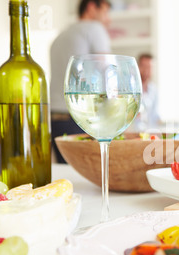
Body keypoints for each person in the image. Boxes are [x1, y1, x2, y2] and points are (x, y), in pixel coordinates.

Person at [49, 0, 112, 163]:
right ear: (91, 7)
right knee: (90, 173)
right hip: (80, 117)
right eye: (105, 12)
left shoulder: (59, 37)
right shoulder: (94, 29)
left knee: (66, 175)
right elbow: (108, 71)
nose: (108, 19)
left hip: (54, 117)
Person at [136, 53, 160, 130]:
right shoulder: (129, 89)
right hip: (132, 134)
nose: (146, 70)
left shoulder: (154, 89)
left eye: (149, 67)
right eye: (143, 66)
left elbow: (155, 115)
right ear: (138, 67)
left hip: (148, 134)